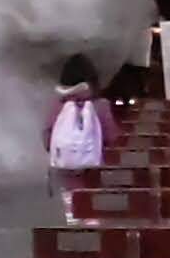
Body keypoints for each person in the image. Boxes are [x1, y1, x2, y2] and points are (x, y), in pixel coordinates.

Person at [43, 54, 122, 220]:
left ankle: (74, 226)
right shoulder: (101, 106)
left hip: (66, 171)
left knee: (72, 206)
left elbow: (47, 137)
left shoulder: (58, 106)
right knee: (93, 207)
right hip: (94, 171)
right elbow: (112, 138)